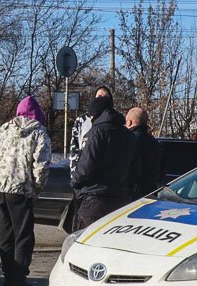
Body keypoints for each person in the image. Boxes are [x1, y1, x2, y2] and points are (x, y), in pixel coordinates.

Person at [0, 96, 51, 286]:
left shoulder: (4, 128)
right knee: (23, 238)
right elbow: (41, 165)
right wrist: (36, 188)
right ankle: (19, 284)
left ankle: (8, 280)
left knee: (5, 237)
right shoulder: (39, 132)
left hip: (0, 190)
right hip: (22, 190)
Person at [71, 93, 137, 230]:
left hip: (95, 199)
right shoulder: (128, 135)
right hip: (120, 199)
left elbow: (85, 167)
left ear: (95, 114)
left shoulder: (97, 132)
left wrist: (75, 182)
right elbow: (135, 169)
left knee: (86, 243)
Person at [68, 85, 112, 229]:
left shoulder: (113, 122)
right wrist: (75, 176)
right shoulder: (82, 121)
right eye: (98, 97)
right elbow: (74, 149)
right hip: (82, 179)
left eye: (104, 97)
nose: (101, 100)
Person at [126, 106, 164, 199]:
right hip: (150, 192)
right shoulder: (156, 143)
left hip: (130, 193)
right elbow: (161, 171)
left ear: (130, 122)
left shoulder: (127, 141)